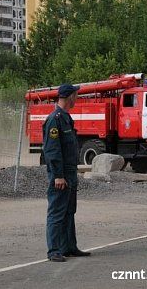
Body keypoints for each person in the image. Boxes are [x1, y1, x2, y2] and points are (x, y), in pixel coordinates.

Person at [43, 83, 91, 262]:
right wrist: (58, 175)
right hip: (61, 174)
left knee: (69, 211)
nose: (77, 98)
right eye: (76, 95)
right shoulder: (55, 119)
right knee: (57, 212)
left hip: (70, 172)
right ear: (69, 96)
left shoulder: (66, 118)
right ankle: (54, 250)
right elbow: (52, 151)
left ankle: (69, 246)